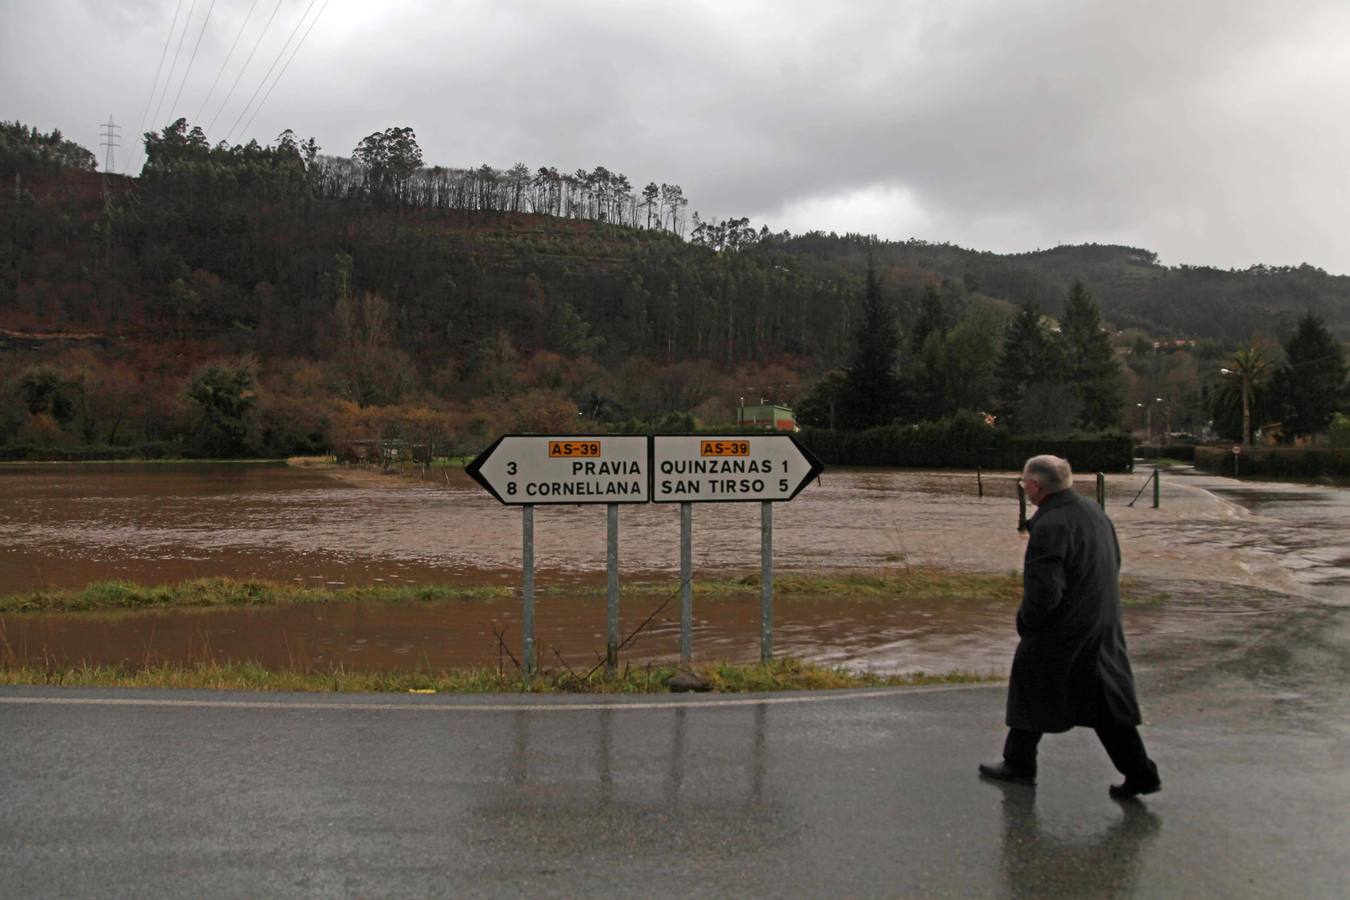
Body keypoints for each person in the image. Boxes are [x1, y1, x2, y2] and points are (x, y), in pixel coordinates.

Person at [979, 455, 1162, 799]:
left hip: (1065, 628)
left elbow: (1045, 591)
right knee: (1105, 702)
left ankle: (1019, 765)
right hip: (1101, 621)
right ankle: (1140, 773)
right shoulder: (1095, 513)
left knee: (1031, 683)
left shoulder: (1050, 526)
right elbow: (1114, 562)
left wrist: (1027, 623)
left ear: (1035, 486)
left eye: (1024, 483)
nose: (1024, 488)